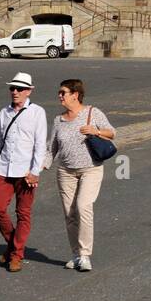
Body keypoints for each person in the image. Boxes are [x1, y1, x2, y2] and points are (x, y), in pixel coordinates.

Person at [43, 78, 115, 272]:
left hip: (90, 169)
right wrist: (38, 169)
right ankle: (75, 255)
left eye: (63, 92)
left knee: (83, 206)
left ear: (75, 95)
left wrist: (96, 130)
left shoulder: (93, 112)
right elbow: (52, 148)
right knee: (70, 214)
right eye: (59, 92)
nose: (59, 96)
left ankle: (85, 255)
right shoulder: (58, 120)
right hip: (65, 171)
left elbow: (112, 133)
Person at [0, 72, 48, 273]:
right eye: (12, 88)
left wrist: (35, 171)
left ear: (29, 91)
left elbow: (40, 145)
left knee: (23, 213)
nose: (15, 92)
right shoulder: (4, 113)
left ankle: (16, 255)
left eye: (20, 89)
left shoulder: (37, 112)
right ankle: (13, 246)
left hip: (26, 171)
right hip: (4, 168)